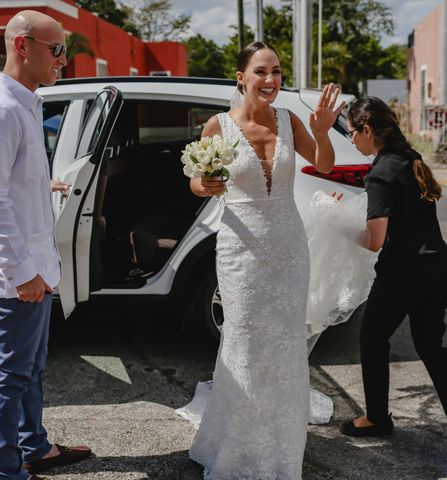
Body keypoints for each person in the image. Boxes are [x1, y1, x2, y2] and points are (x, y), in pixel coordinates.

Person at [186, 42, 344, 479]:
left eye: (276, 71)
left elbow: (326, 165)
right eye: (260, 71)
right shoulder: (217, 127)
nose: (270, 80)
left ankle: (280, 444)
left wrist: (325, 129)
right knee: (244, 343)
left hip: (289, 247)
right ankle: (236, 447)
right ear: (241, 77)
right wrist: (207, 184)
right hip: (240, 250)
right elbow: (197, 182)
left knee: (285, 344)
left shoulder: (290, 120)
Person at [0, 10, 90, 480]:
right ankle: (8, 470)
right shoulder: (2, 109)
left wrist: (45, 186)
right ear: (23, 46)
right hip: (20, 274)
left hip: (38, 266)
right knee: (11, 375)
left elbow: (11, 185)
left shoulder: (26, 103)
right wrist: (24, 273)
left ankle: (34, 447)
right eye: (57, 49)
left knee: (31, 368)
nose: (64, 59)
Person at [339, 97, 447, 464]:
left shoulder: (381, 172)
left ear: (368, 130)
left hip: (403, 271)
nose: (352, 140)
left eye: (353, 133)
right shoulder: (410, 158)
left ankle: (375, 418)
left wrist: (339, 229)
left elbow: (375, 242)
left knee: (372, 338)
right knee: (432, 347)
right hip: (436, 265)